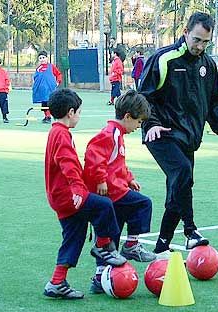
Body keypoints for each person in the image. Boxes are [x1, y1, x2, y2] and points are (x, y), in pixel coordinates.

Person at [138, 12, 218, 258]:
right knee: (182, 174)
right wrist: (151, 123)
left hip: (188, 138)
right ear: (185, 33)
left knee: (180, 186)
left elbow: (213, 105)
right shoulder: (163, 59)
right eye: (196, 39)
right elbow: (143, 97)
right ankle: (190, 231)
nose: (200, 46)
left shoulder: (208, 66)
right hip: (160, 134)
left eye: (205, 42)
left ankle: (162, 246)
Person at [43, 88, 127, 299]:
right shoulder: (61, 134)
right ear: (71, 112)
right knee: (104, 205)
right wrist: (78, 188)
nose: (79, 116)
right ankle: (103, 246)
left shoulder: (55, 132)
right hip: (67, 195)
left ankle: (56, 282)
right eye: (79, 112)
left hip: (58, 196)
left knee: (74, 236)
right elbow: (68, 163)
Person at [83, 90, 156, 293]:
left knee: (110, 235)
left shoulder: (118, 134)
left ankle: (100, 279)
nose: (139, 126)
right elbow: (93, 156)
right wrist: (100, 180)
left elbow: (118, 163)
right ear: (127, 117)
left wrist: (129, 178)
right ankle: (132, 245)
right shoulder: (110, 133)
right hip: (111, 192)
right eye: (139, 122)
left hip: (117, 189)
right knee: (143, 203)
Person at [32, 51, 62, 124]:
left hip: (50, 89)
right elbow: (36, 78)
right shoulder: (38, 68)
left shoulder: (51, 66)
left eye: (43, 57)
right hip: (42, 91)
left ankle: (52, 116)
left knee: (50, 103)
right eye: (40, 58)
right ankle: (47, 116)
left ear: (47, 58)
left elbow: (58, 74)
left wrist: (58, 82)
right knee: (44, 104)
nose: (42, 59)